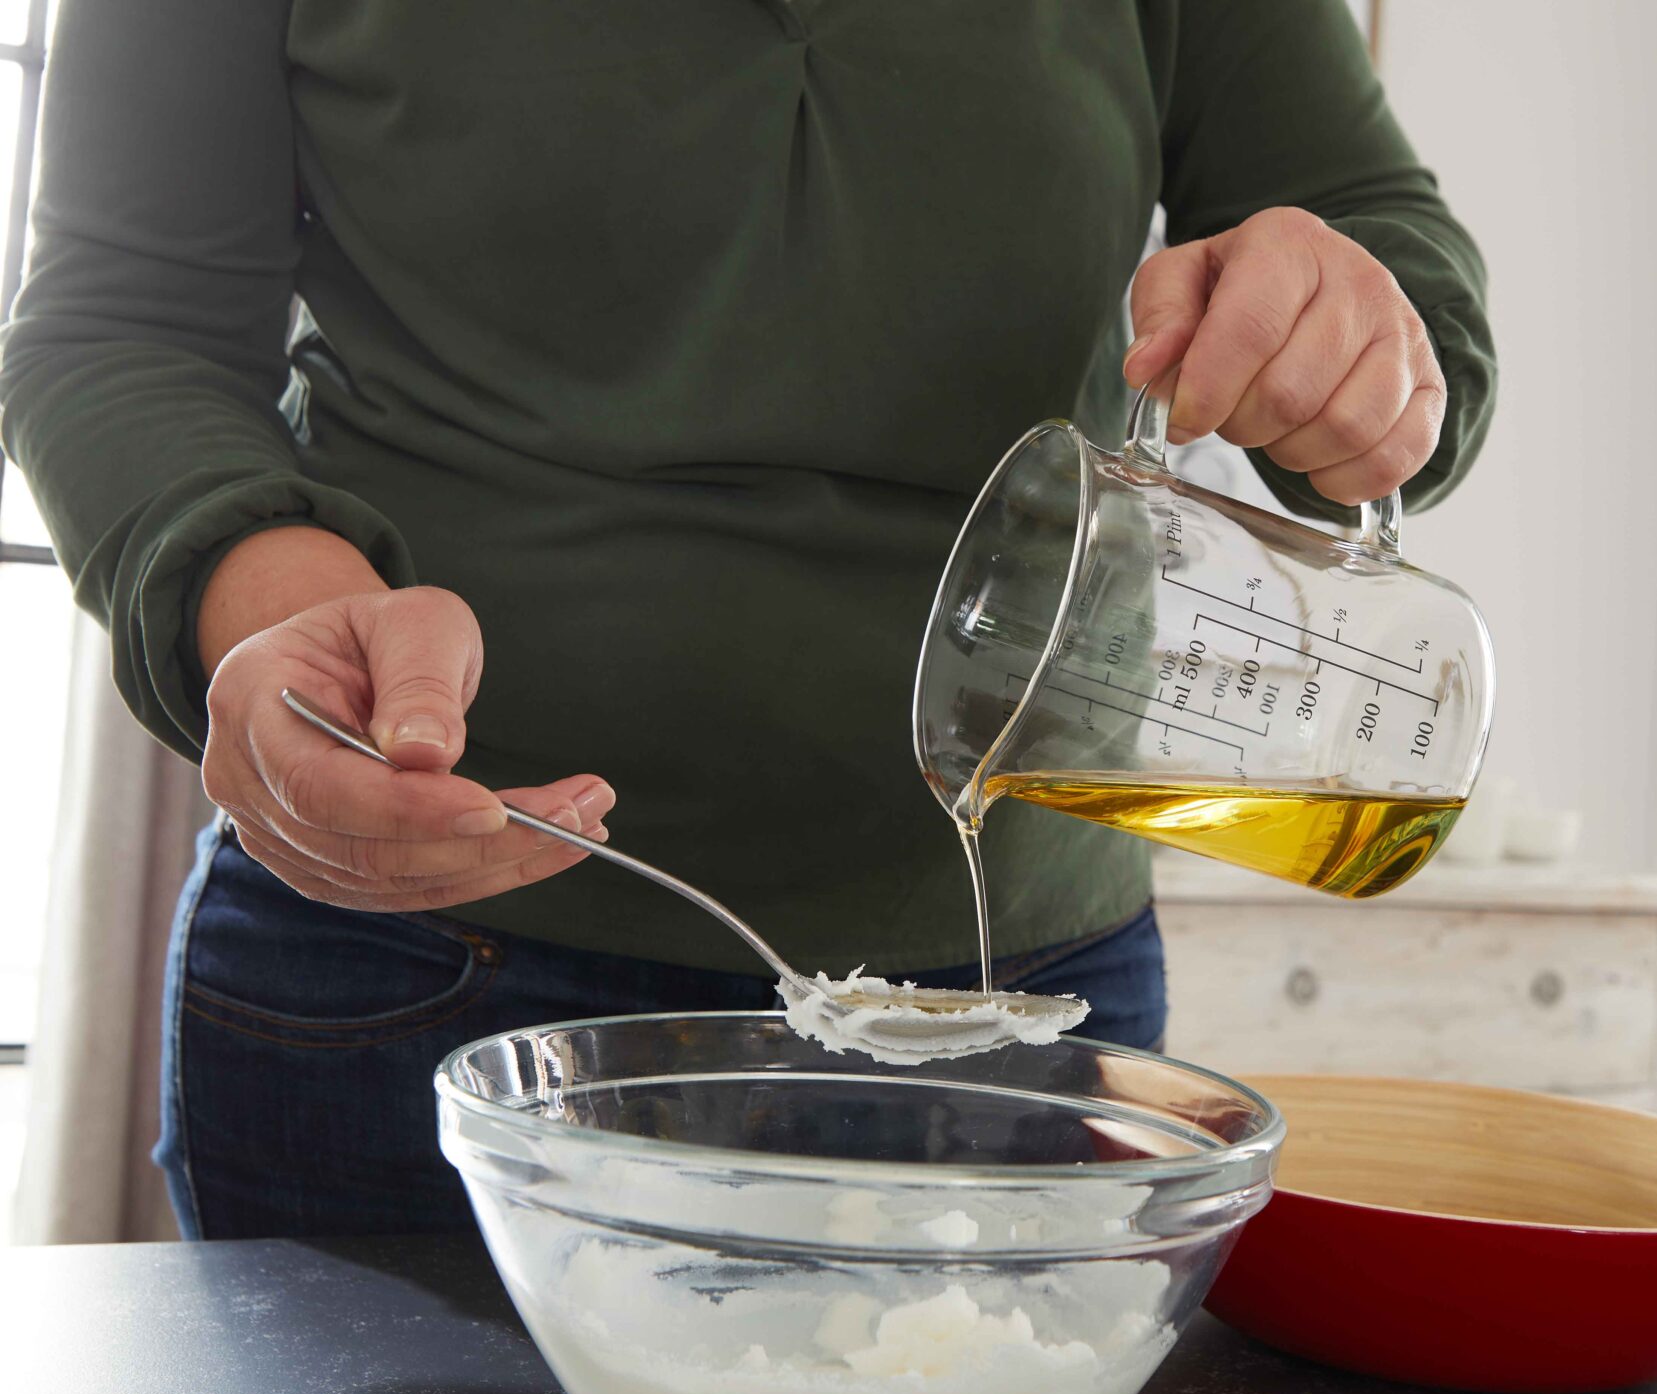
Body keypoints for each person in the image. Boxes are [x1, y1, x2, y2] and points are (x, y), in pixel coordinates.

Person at [0, 0, 1495, 1241]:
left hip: (1027, 1027)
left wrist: (1358, 338)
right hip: (410, 994)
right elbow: (115, 325)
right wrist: (274, 607)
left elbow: (1392, 246)